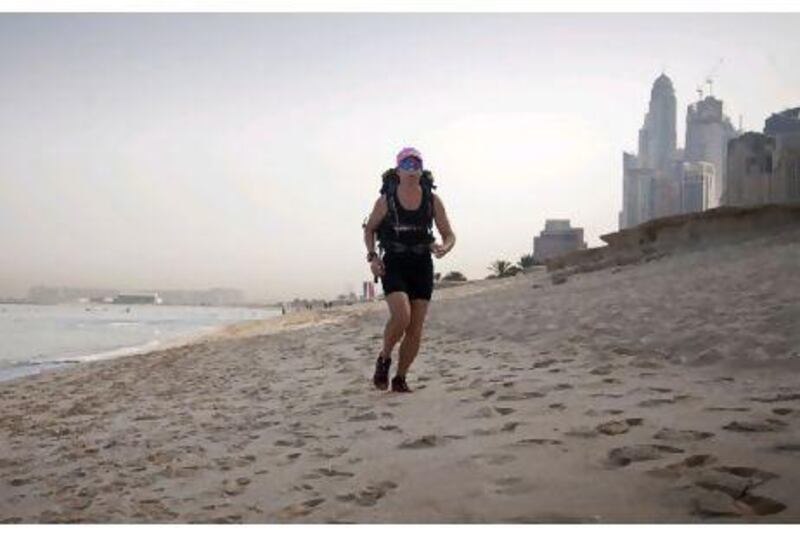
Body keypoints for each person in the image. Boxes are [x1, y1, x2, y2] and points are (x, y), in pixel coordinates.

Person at [362, 147, 456, 392]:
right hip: (394, 263)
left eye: (416, 164)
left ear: (421, 169)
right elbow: (369, 228)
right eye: (406, 165)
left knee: (415, 328)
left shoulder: (432, 200)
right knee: (402, 316)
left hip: (422, 264)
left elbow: (449, 234)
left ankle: (400, 378)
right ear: (398, 170)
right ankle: (384, 359)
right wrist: (372, 257)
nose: (411, 169)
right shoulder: (386, 200)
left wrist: (445, 247)